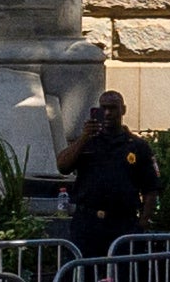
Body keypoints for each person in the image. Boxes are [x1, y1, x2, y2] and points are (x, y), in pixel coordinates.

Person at [56, 93, 159, 261]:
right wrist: (84, 137)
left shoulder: (137, 146)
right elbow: (63, 166)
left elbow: (151, 189)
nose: (108, 113)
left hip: (123, 223)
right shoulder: (87, 142)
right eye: (103, 108)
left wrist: (142, 224)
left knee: (122, 278)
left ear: (123, 110)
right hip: (88, 222)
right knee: (84, 275)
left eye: (113, 108)